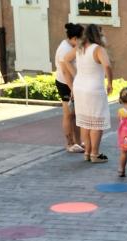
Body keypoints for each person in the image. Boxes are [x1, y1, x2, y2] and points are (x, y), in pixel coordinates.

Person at [61, 24, 112, 163]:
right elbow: (107, 65)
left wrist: (76, 75)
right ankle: (95, 154)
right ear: (98, 35)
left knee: (85, 122)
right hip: (94, 89)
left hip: (80, 88)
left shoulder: (80, 48)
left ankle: (87, 153)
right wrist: (110, 83)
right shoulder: (98, 49)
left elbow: (65, 59)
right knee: (96, 122)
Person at [55, 23, 84, 153]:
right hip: (65, 84)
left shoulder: (71, 46)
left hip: (73, 83)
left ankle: (78, 142)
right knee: (68, 114)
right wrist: (72, 88)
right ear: (74, 38)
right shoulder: (64, 49)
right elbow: (65, 72)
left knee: (76, 114)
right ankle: (70, 144)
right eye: (80, 38)